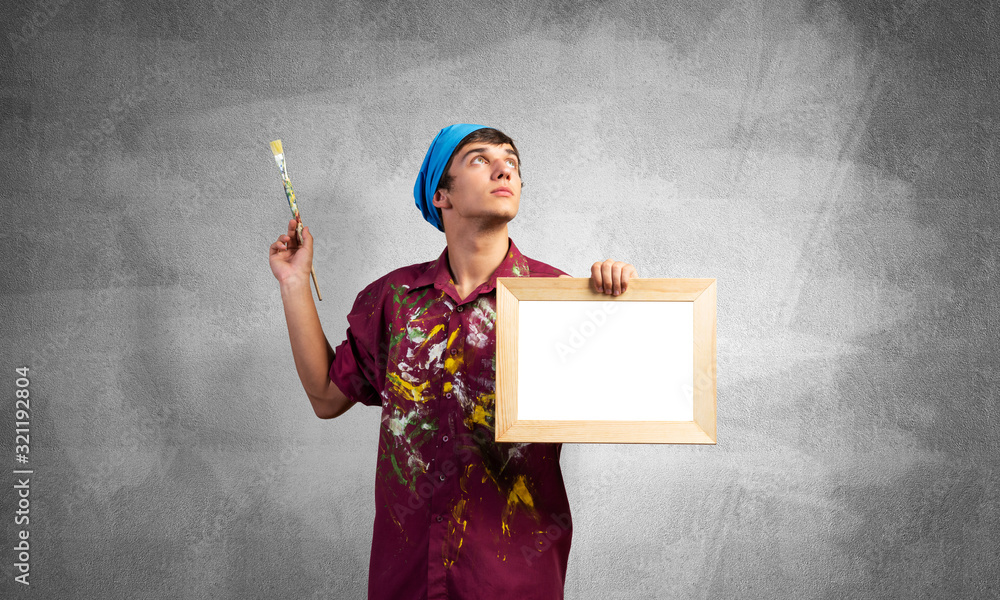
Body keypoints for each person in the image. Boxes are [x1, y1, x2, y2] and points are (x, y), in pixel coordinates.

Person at [269, 124, 638, 599]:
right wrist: (295, 282)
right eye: (479, 159)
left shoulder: (556, 300)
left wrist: (619, 308)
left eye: (512, 162)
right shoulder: (393, 300)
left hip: (513, 579)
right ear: (440, 194)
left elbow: (623, 397)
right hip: (406, 579)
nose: (505, 167)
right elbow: (324, 396)